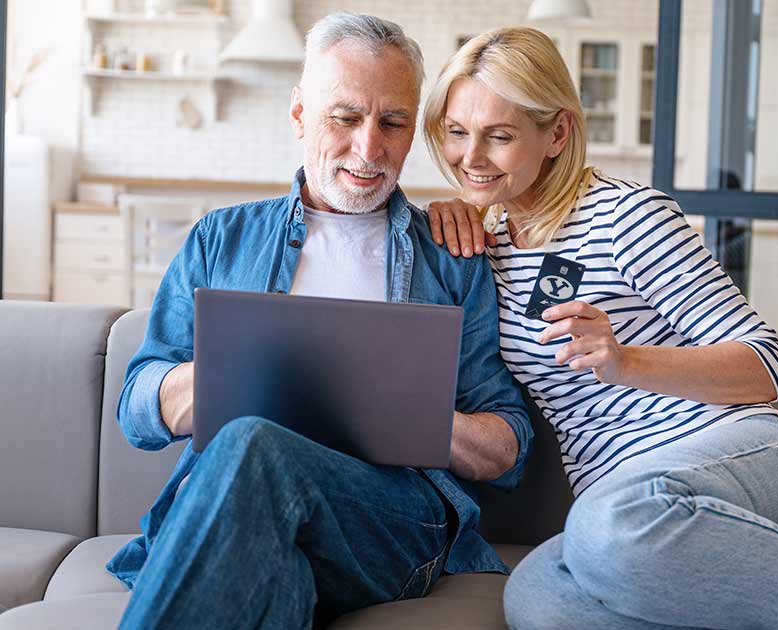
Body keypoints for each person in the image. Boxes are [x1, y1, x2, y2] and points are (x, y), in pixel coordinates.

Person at [423, 26, 778, 630]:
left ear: (557, 133)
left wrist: (626, 361)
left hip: (733, 461)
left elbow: (769, 365)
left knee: (608, 524)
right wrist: (442, 207)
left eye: (500, 136)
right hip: (628, 517)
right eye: (457, 132)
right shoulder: (486, 245)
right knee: (538, 598)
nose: (471, 156)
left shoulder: (627, 216)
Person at [106, 13, 533, 629]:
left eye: (393, 122)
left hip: (389, 522)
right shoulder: (221, 240)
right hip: (240, 507)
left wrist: (403, 414)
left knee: (255, 444)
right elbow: (137, 409)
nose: (369, 148)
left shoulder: (451, 257)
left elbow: (509, 444)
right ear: (300, 113)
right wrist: (222, 378)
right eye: (345, 117)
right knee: (277, 568)